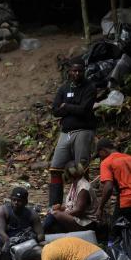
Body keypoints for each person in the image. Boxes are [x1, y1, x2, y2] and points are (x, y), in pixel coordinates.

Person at [49, 62, 97, 207]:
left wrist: (66, 106)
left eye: (80, 71)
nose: (77, 74)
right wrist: (72, 107)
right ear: (69, 71)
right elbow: (55, 110)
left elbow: (84, 110)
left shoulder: (90, 87)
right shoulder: (64, 88)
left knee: (81, 168)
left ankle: (82, 205)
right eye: (74, 71)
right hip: (66, 132)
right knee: (55, 168)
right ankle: (54, 206)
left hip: (84, 131)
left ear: (84, 71)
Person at [44, 161, 98, 233]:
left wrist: (62, 214)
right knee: (54, 217)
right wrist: (61, 207)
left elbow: (78, 211)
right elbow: (72, 205)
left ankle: (41, 231)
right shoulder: (75, 184)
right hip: (78, 218)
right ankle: (43, 230)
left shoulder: (83, 188)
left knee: (55, 214)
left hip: (86, 222)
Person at [95, 138, 131, 222]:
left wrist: (100, 207)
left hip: (127, 200)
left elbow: (108, 187)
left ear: (103, 150)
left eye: (99, 154)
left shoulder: (107, 162)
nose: (100, 158)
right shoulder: (130, 158)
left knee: (115, 231)